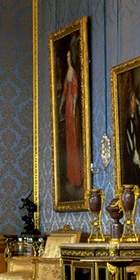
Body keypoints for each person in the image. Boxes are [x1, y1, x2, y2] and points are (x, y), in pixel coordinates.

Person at [59, 41, 84, 192]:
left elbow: (75, 94)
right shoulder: (68, 72)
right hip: (67, 108)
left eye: (69, 56)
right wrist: (62, 106)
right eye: (66, 57)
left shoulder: (73, 72)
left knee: (74, 143)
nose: (68, 59)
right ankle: (71, 176)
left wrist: (73, 109)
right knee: (69, 144)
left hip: (72, 110)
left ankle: (77, 177)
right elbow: (64, 93)